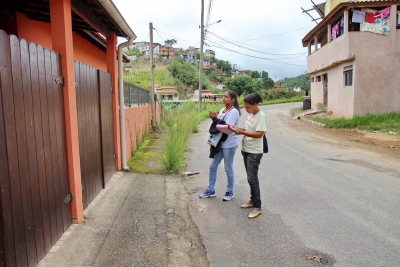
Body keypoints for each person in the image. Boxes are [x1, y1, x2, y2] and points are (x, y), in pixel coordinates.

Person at [230, 93, 267, 219]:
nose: (246, 110)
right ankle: (252, 200)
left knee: (252, 178)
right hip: (246, 149)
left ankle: (257, 207)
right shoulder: (251, 114)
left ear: (255, 105)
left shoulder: (261, 116)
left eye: (248, 107)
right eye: (245, 107)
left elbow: (259, 134)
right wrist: (237, 128)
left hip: (255, 152)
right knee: (250, 177)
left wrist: (241, 131)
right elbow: (247, 129)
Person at [200, 90, 241, 201]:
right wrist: (214, 119)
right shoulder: (222, 110)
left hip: (229, 144)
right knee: (213, 165)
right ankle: (211, 189)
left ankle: (229, 191)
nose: (223, 98)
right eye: (223, 96)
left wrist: (215, 119)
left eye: (226, 97)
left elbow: (225, 127)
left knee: (228, 168)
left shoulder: (234, 112)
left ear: (232, 99)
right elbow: (218, 126)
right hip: (219, 143)